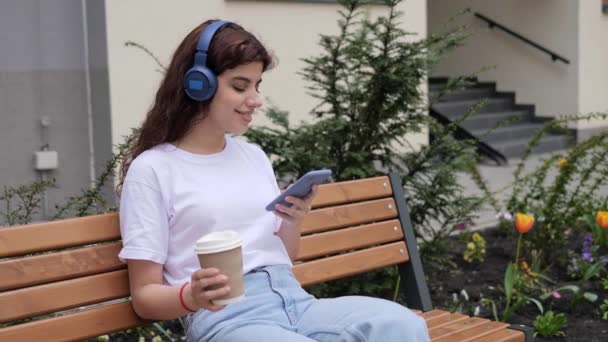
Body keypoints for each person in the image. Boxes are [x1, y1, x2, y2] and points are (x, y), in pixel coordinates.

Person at [117, 19, 430, 342]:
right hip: (228, 320)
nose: (255, 99)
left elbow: (284, 254)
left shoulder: (253, 156)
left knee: (404, 326)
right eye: (240, 86)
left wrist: (292, 221)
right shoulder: (153, 169)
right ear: (199, 84)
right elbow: (144, 296)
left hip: (295, 302)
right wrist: (191, 296)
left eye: (257, 85)